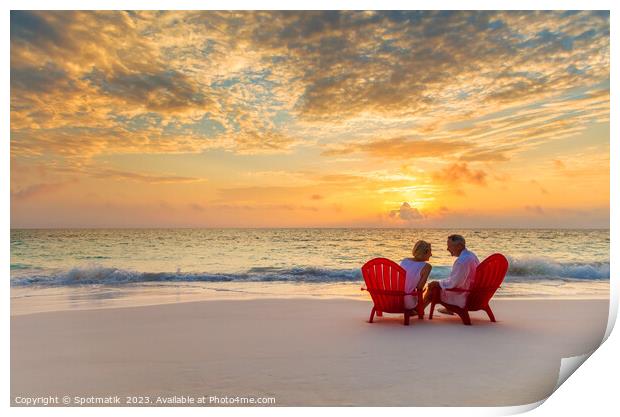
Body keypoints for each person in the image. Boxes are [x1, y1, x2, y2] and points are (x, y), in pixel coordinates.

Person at [424, 234, 479, 311]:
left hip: (463, 296)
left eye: (449, 246)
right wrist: (441, 283)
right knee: (437, 284)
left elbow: (454, 283)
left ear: (459, 246)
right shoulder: (472, 256)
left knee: (432, 287)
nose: (447, 249)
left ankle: (419, 309)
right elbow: (458, 280)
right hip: (472, 293)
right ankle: (448, 309)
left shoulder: (462, 261)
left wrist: (438, 283)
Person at [400, 240, 432, 313]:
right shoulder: (427, 267)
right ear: (426, 252)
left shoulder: (405, 260)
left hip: (395, 298)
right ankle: (416, 310)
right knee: (430, 293)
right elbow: (419, 287)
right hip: (407, 303)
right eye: (430, 251)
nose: (431, 254)